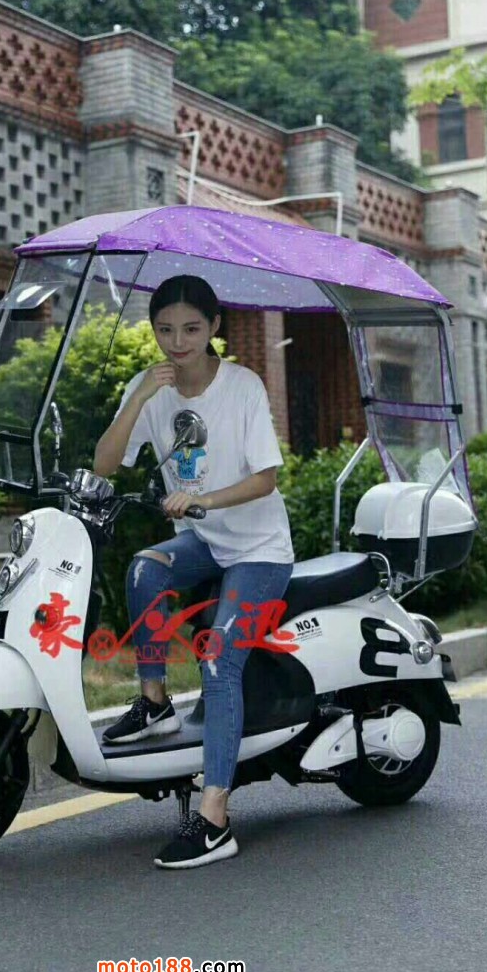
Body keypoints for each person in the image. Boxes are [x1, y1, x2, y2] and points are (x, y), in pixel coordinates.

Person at [93, 275, 294, 870]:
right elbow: (104, 466)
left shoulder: (242, 386)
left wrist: (203, 500)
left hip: (259, 550)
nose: (177, 342)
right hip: (205, 542)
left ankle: (214, 818)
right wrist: (138, 399)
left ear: (213, 329)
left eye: (191, 329)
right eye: (164, 329)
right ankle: (154, 701)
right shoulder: (151, 388)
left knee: (217, 659)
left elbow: (266, 480)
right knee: (144, 569)